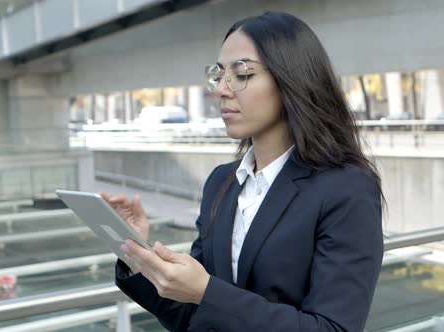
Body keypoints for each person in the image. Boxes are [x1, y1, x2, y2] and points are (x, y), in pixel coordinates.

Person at [102, 11, 384, 332]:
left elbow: (335, 328)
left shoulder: (346, 188)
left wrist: (207, 292)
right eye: (218, 74)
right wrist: (136, 252)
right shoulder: (221, 182)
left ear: (291, 79)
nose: (221, 89)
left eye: (241, 73)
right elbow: (194, 317)